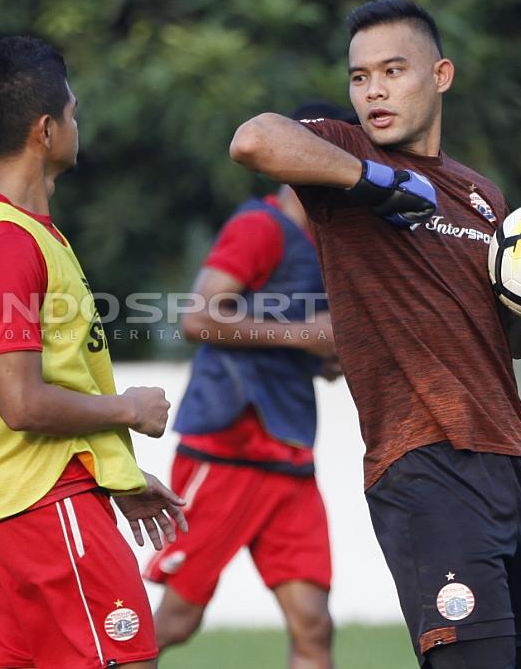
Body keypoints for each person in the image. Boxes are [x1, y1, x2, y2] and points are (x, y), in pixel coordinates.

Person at [230, 0, 521, 669]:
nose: (374, 90)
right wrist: (370, 182)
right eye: (360, 77)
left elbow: (497, 336)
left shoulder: (485, 198)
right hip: (427, 464)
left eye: (393, 70)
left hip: (513, 462)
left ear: (441, 74)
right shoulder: (346, 156)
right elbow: (255, 138)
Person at [0, 35, 187, 669]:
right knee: (127, 660)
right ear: (46, 131)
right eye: (73, 114)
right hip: (44, 509)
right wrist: (127, 409)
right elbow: (21, 402)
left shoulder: (18, 232)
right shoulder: (5, 245)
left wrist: (117, 476)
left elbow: (55, 378)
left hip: (25, 506)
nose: (79, 125)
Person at [146, 103, 351, 669]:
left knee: (314, 625)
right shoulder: (260, 226)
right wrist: (305, 336)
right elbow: (197, 318)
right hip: (228, 448)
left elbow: (307, 340)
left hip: (289, 455)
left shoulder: (331, 243)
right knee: (177, 622)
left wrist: (328, 357)